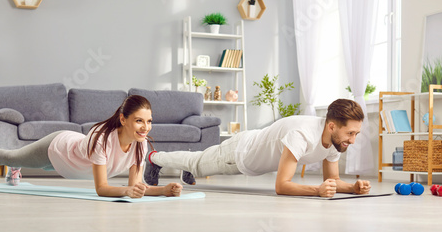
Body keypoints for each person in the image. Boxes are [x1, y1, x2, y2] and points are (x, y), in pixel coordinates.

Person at [0, 95, 183, 199]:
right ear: (123, 119)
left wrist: (163, 190)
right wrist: (125, 191)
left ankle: (17, 168)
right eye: (139, 120)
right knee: (12, 157)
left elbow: (137, 186)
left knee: (26, 163)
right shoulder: (102, 138)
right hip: (56, 149)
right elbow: (102, 188)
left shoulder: (140, 146)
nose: (145, 127)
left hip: (70, 163)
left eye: (149, 121)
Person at [145, 98, 371, 198]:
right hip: (239, 154)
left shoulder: (334, 140)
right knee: (196, 162)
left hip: (250, 155)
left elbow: (332, 181)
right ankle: (155, 158)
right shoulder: (302, 134)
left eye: (355, 134)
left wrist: (353, 187)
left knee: (200, 162)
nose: (352, 141)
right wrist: (317, 191)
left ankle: (193, 167)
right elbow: (282, 186)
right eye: (350, 134)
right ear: (332, 126)